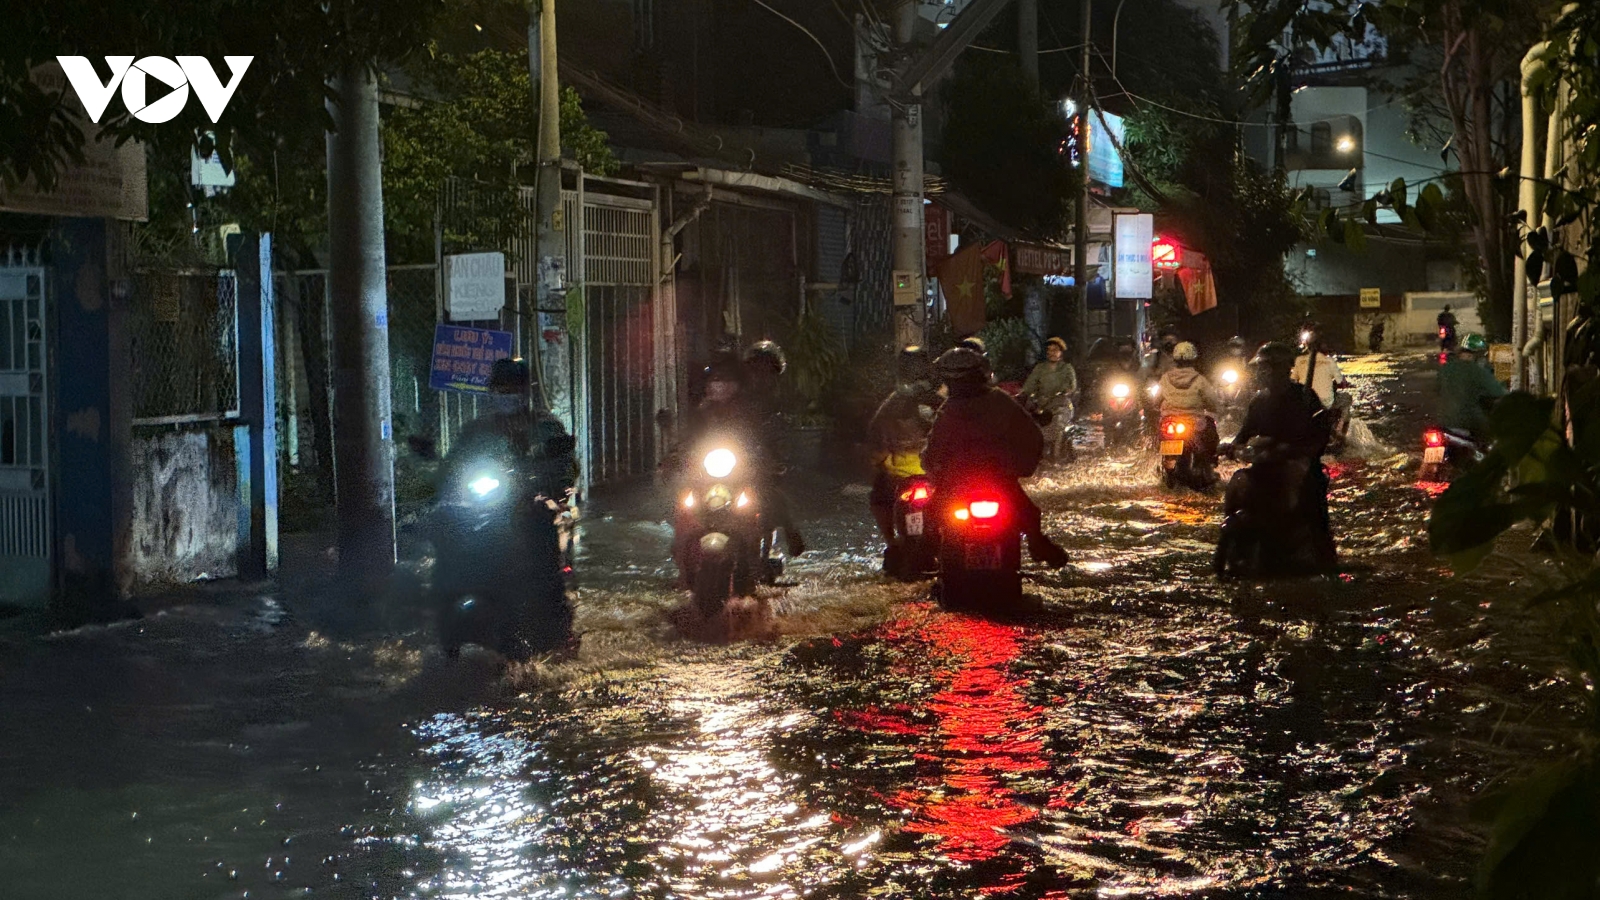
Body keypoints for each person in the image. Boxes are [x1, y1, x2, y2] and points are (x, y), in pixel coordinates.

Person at [923, 347, 1071, 568]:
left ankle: (923, 556)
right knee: (1030, 516)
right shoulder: (998, 401)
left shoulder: (951, 408)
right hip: (997, 479)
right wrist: (1023, 467)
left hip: (963, 482)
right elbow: (1032, 437)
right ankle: (1037, 544)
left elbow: (933, 450)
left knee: (930, 520)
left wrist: (933, 470)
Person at [1228, 342, 1335, 567]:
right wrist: (1230, 446)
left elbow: (1320, 434)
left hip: (1297, 462)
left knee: (1312, 495)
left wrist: (1298, 449)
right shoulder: (1259, 400)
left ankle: (1324, 556)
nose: (1262, 373)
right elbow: (1245, 433)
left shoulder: (1304, 398)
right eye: (1261, 368)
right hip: (1264, 464)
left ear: (1282, 369)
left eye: (1268, 368)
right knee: (1238, 484)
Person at [866, 346, 944, 546]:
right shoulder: (942, 402)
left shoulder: (893, 403)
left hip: (902, 475)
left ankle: (891, 542)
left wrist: (877, 461)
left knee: (878, 498)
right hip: (935, 472)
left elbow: (876, 439)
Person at [742, 340, 807, 557]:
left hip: (769, 457)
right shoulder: (737, 397)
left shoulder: (783, 399)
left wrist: (778, 454)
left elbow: (789, 431)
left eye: (766, 369)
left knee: (771, 489)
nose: (760, 374)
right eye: (756, 368)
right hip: (736, 456)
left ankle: (790, 529)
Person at [1157, 342, 1223, 475]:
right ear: (1194, 359)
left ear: (1174, 360)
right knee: (1210, 432)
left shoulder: (1164, 378)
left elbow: (1156, 399)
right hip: (1194, 422)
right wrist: (1215, 408)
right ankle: (1209, 463)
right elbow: (1212, 401)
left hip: (1169, 422)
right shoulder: (1200, 380)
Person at [1019, 336, 1079, 461]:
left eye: (1055, 350)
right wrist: (1023, 394)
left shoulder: (1067, 369)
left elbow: (1071, 386)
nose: (1052, 353)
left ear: (1061, 353)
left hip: (1060, 404)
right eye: (1049, 350)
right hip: (1042, 405)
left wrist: (1065, 391)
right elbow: (1029, 386)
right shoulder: (1040, 368)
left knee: (1058, 422)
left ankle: (1055, 456)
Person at [1437, 333, 1506, 440]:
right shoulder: (1477, 371)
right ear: (1475, 355)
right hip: (1469, 422)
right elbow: (1498, 392)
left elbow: (1437, 389)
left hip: (1444, 422)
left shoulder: (1445, 369)